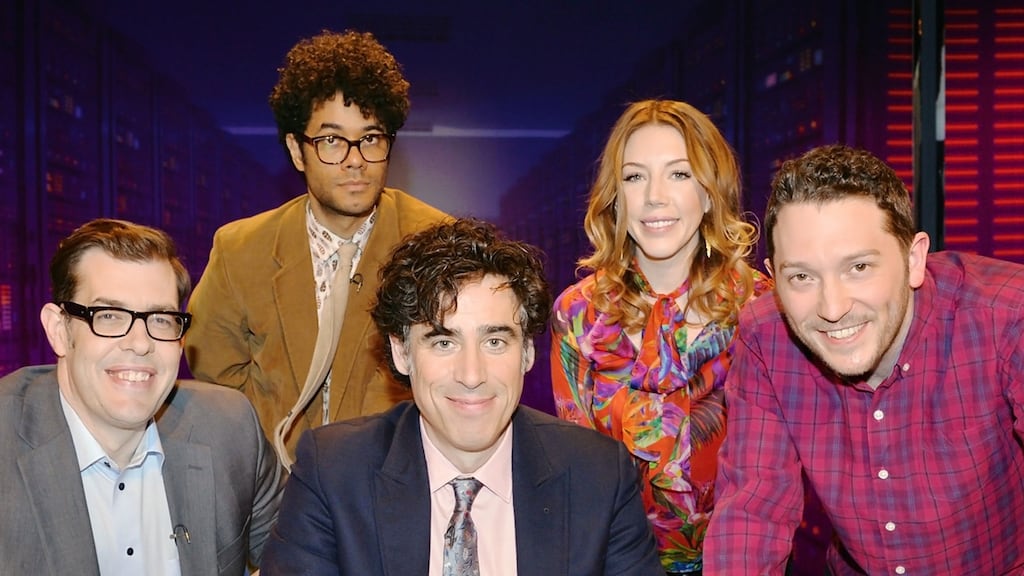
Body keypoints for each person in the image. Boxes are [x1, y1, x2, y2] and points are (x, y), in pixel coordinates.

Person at [260, 219, 663, 575]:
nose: (472, 375)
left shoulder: (598, 475)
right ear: (402, 352)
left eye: (494, 341)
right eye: (442, 342)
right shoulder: (333, 473)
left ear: (527, 352)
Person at [704, 144, 1024, 574]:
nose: (832, 308)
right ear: (774, 279)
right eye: (801, 277)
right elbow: (752, 511)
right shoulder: (766, 338)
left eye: (858, 268)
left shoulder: (1006, 316)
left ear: (913, 260)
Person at [185, 29, 448, 467]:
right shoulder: (240, 249)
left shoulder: (435, 244)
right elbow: (216, 378)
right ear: (296, 150)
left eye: (370, 138)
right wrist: (282, 460)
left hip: (393, 485)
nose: (354, 159)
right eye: (330, 140)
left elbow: (449, 378)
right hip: (275, 490)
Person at [549, 99, 768, 574]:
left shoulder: (763, 309)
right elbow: (577, 476)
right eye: (634, 177)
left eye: (679, 174)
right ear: (615, 197)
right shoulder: (578, 314)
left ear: (710, 193)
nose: (653, 197)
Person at [0, 218, 283, 575]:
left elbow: (305, 557)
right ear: (59, 330)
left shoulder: (229, 428)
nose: (139, 343)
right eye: (110, 316)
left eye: (162, 319)